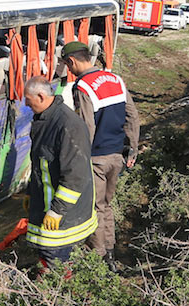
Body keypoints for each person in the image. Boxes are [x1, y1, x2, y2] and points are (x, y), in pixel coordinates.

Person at [61, 41, 140, 271]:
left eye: (67, 65)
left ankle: (99, 261)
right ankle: (110, 253)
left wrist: (78, 160)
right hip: (117, 156)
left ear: (72, 61)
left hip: (96, 158)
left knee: (93, 209)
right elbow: (132, 116)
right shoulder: (115, 79)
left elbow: (87, 127)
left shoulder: (83, 87)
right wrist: (132, 148)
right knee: (106, 205)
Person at [24, 76, 97, 267]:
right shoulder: (45, 120)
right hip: (48, 205)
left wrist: (57, 210)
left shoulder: (68, 125)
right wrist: (30, 192)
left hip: (64, 214)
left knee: (55, 258)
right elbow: (40, 163)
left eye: (29, 103)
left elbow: (75, 176)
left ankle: (59, 291)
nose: (28, 108)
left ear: (40, 96)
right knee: (48, 254)